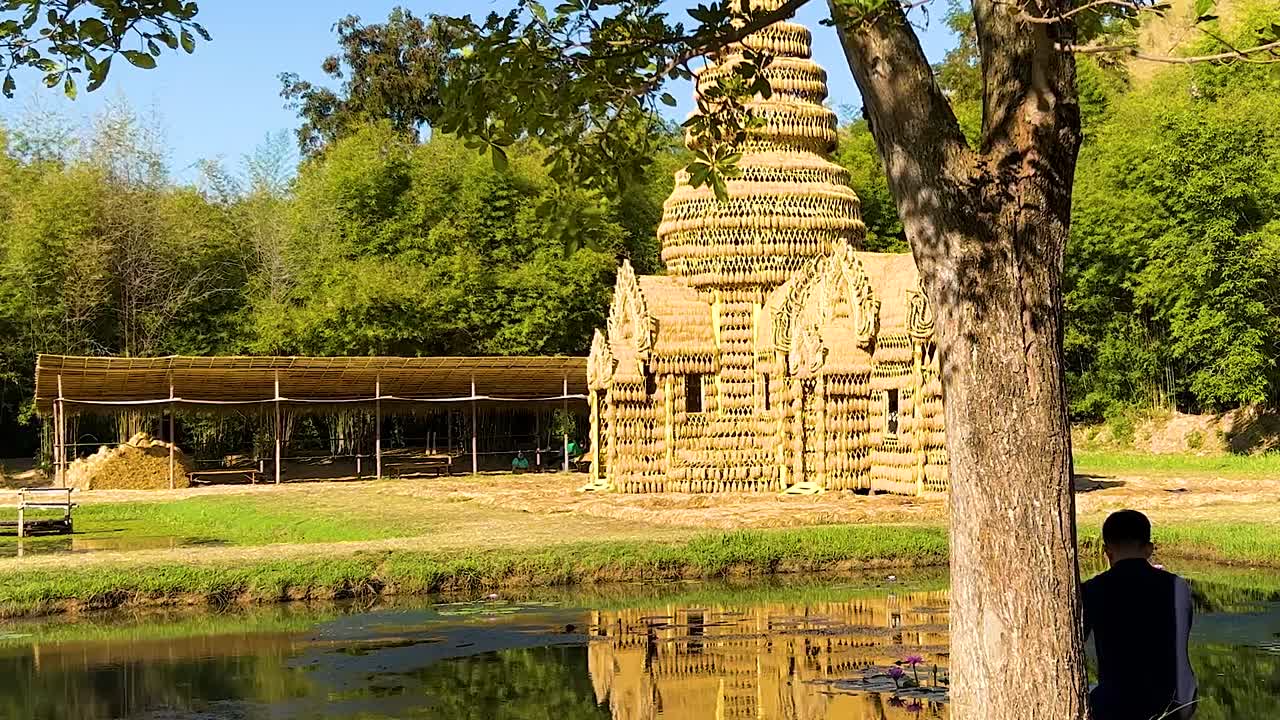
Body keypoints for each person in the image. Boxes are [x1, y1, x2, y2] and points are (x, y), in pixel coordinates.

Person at [1083, 510, 1197, 720]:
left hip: (1118, 705)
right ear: (1149, 549)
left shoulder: (1093, 589)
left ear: (1107, 552)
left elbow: (1075, 642)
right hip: (1180, 701)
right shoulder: (1178, 586)